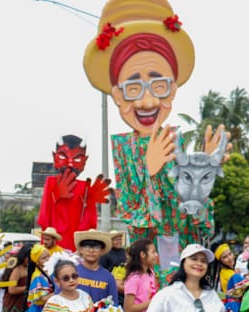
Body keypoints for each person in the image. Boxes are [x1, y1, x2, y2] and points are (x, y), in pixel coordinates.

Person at [83, 0, 227, 272]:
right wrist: (149, 172)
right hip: (148, 271)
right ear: (117, 94)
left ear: (172, 89)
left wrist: (202, 174)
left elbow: (200, 220)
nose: (148, 102)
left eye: (158, 86)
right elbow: (135, 217)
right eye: (133, 88)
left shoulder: (177, 142)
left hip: (186, 266)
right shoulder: (124, 148)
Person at [38, 135, 112, 252]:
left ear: (85, 160)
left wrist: (91, 200)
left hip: (77, 248)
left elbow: (91, 224)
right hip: (54, 248)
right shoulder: (52, 183)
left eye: (77, 158)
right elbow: (43, 219)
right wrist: (56, 195)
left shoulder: (85, 187)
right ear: (54, 156)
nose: (70, 163)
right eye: (63, 156)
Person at [74, 231, 119, 304]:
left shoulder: (108, 277)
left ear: (102, 251)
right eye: (87, 246)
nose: (91, 251)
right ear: (81, 249)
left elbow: (114, 305)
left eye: (96, 247)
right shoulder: (72, 272)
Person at [100, 230, 128, 294]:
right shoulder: (106, 253)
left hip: (124, 282)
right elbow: (102, 270)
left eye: (120, 239)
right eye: (116, 240)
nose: (119, 242)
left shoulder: (125, 252)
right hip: (110, 283)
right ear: (110, 241)